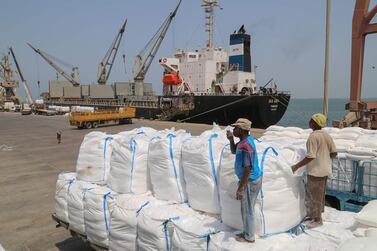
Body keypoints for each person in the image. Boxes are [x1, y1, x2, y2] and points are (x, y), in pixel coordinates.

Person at [291, 113, 337, 229]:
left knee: (314, 196)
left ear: (315, 123)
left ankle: (317, 220)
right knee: (320, 195)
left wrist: (296, 166)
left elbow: (311, 156)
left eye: (311, 120)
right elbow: (334, 153)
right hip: (325, 170)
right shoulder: (326, 135)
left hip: (316, 171)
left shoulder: (313, 136)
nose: (309, 121)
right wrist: (324, 158)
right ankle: (314, 215)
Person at [227, 118, 261, 243]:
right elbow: (234, 151)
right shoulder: (243, 141)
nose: (233, 130)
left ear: (241, 130)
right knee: (245, 208)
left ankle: (250, 237)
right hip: (248, 180)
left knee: (248, 209)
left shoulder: (246, 145)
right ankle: (247, 232)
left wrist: (241, 187)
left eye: (235, 128)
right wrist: (231, 139)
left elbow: (248, 168)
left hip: (250, 181)